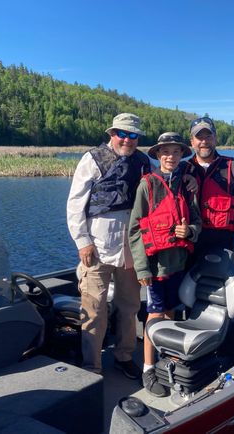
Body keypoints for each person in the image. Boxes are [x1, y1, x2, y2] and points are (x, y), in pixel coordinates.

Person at [66, 113, 150, 379]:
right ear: (112, 134)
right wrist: (83, 242)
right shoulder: (91, 159)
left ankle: (124, 356)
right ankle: (92, 366)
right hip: (97, 248)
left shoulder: (145, 162)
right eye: (122, 134)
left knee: (129, 307)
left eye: (133, 135)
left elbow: (162, 188)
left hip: (131, 249)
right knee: (93, 309)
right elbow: (75, 205)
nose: (127, 140)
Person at [129, 132, 202, 396]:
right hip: (156, 267)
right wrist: (142, 268)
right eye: (165, 152)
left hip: (179, 264)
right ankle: (148, 369)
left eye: (175, 152)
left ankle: (167, 361)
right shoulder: (147, 185)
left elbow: (196, 221)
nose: (170, 157)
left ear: (182, 154)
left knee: (171, 313)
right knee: (155, 316)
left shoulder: (186, 184)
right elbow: (135, 230)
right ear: (158, 156)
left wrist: (190, 232)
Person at [187, 116, 234, 265]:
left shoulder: (233, 168)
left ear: (215, 139)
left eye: (208, 136)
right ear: (192, 142)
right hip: (190, 243)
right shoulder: (184, 169)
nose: (204, 141)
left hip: (223, 243)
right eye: (199, 137)